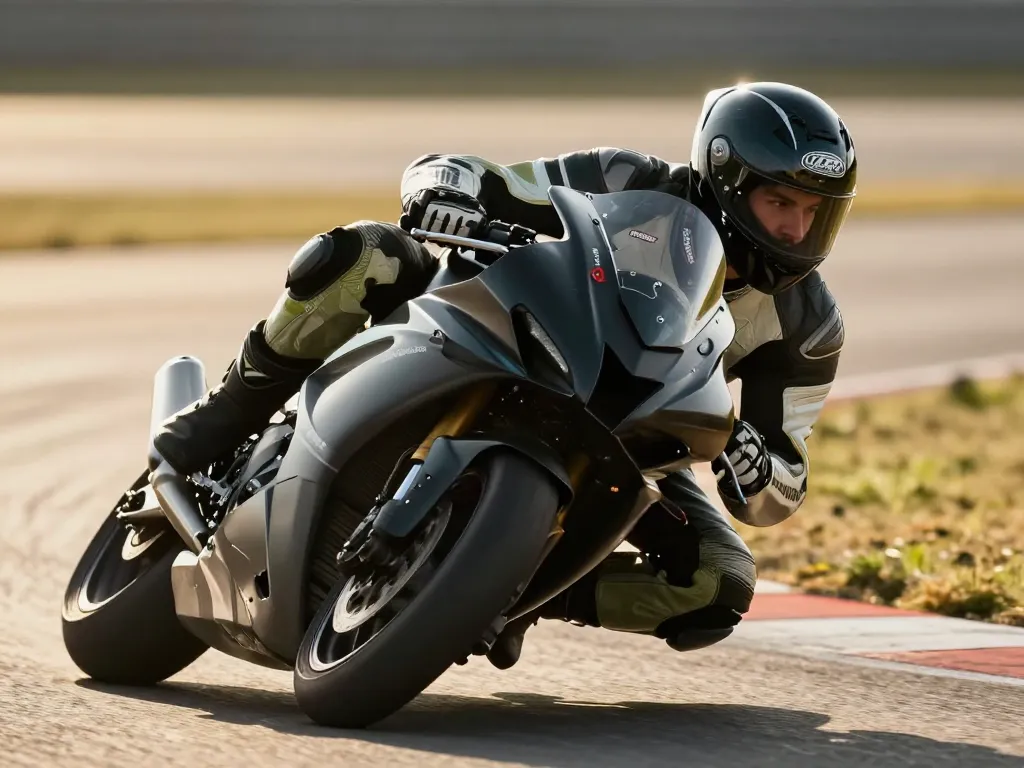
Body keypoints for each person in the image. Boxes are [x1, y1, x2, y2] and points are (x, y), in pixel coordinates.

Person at [153, 81, 856, 668]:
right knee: (365, 254)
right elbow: (476, 176)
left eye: (814, 212)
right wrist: (444, 192)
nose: (796, 231)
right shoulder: (628, 180)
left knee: (719, 580)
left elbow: (786, 482)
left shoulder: (811, 325)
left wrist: (756, 463)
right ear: (728, 181)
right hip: (513, 334)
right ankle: (229, 411)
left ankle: (505, 591)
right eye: (780, 203)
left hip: (632, 433)